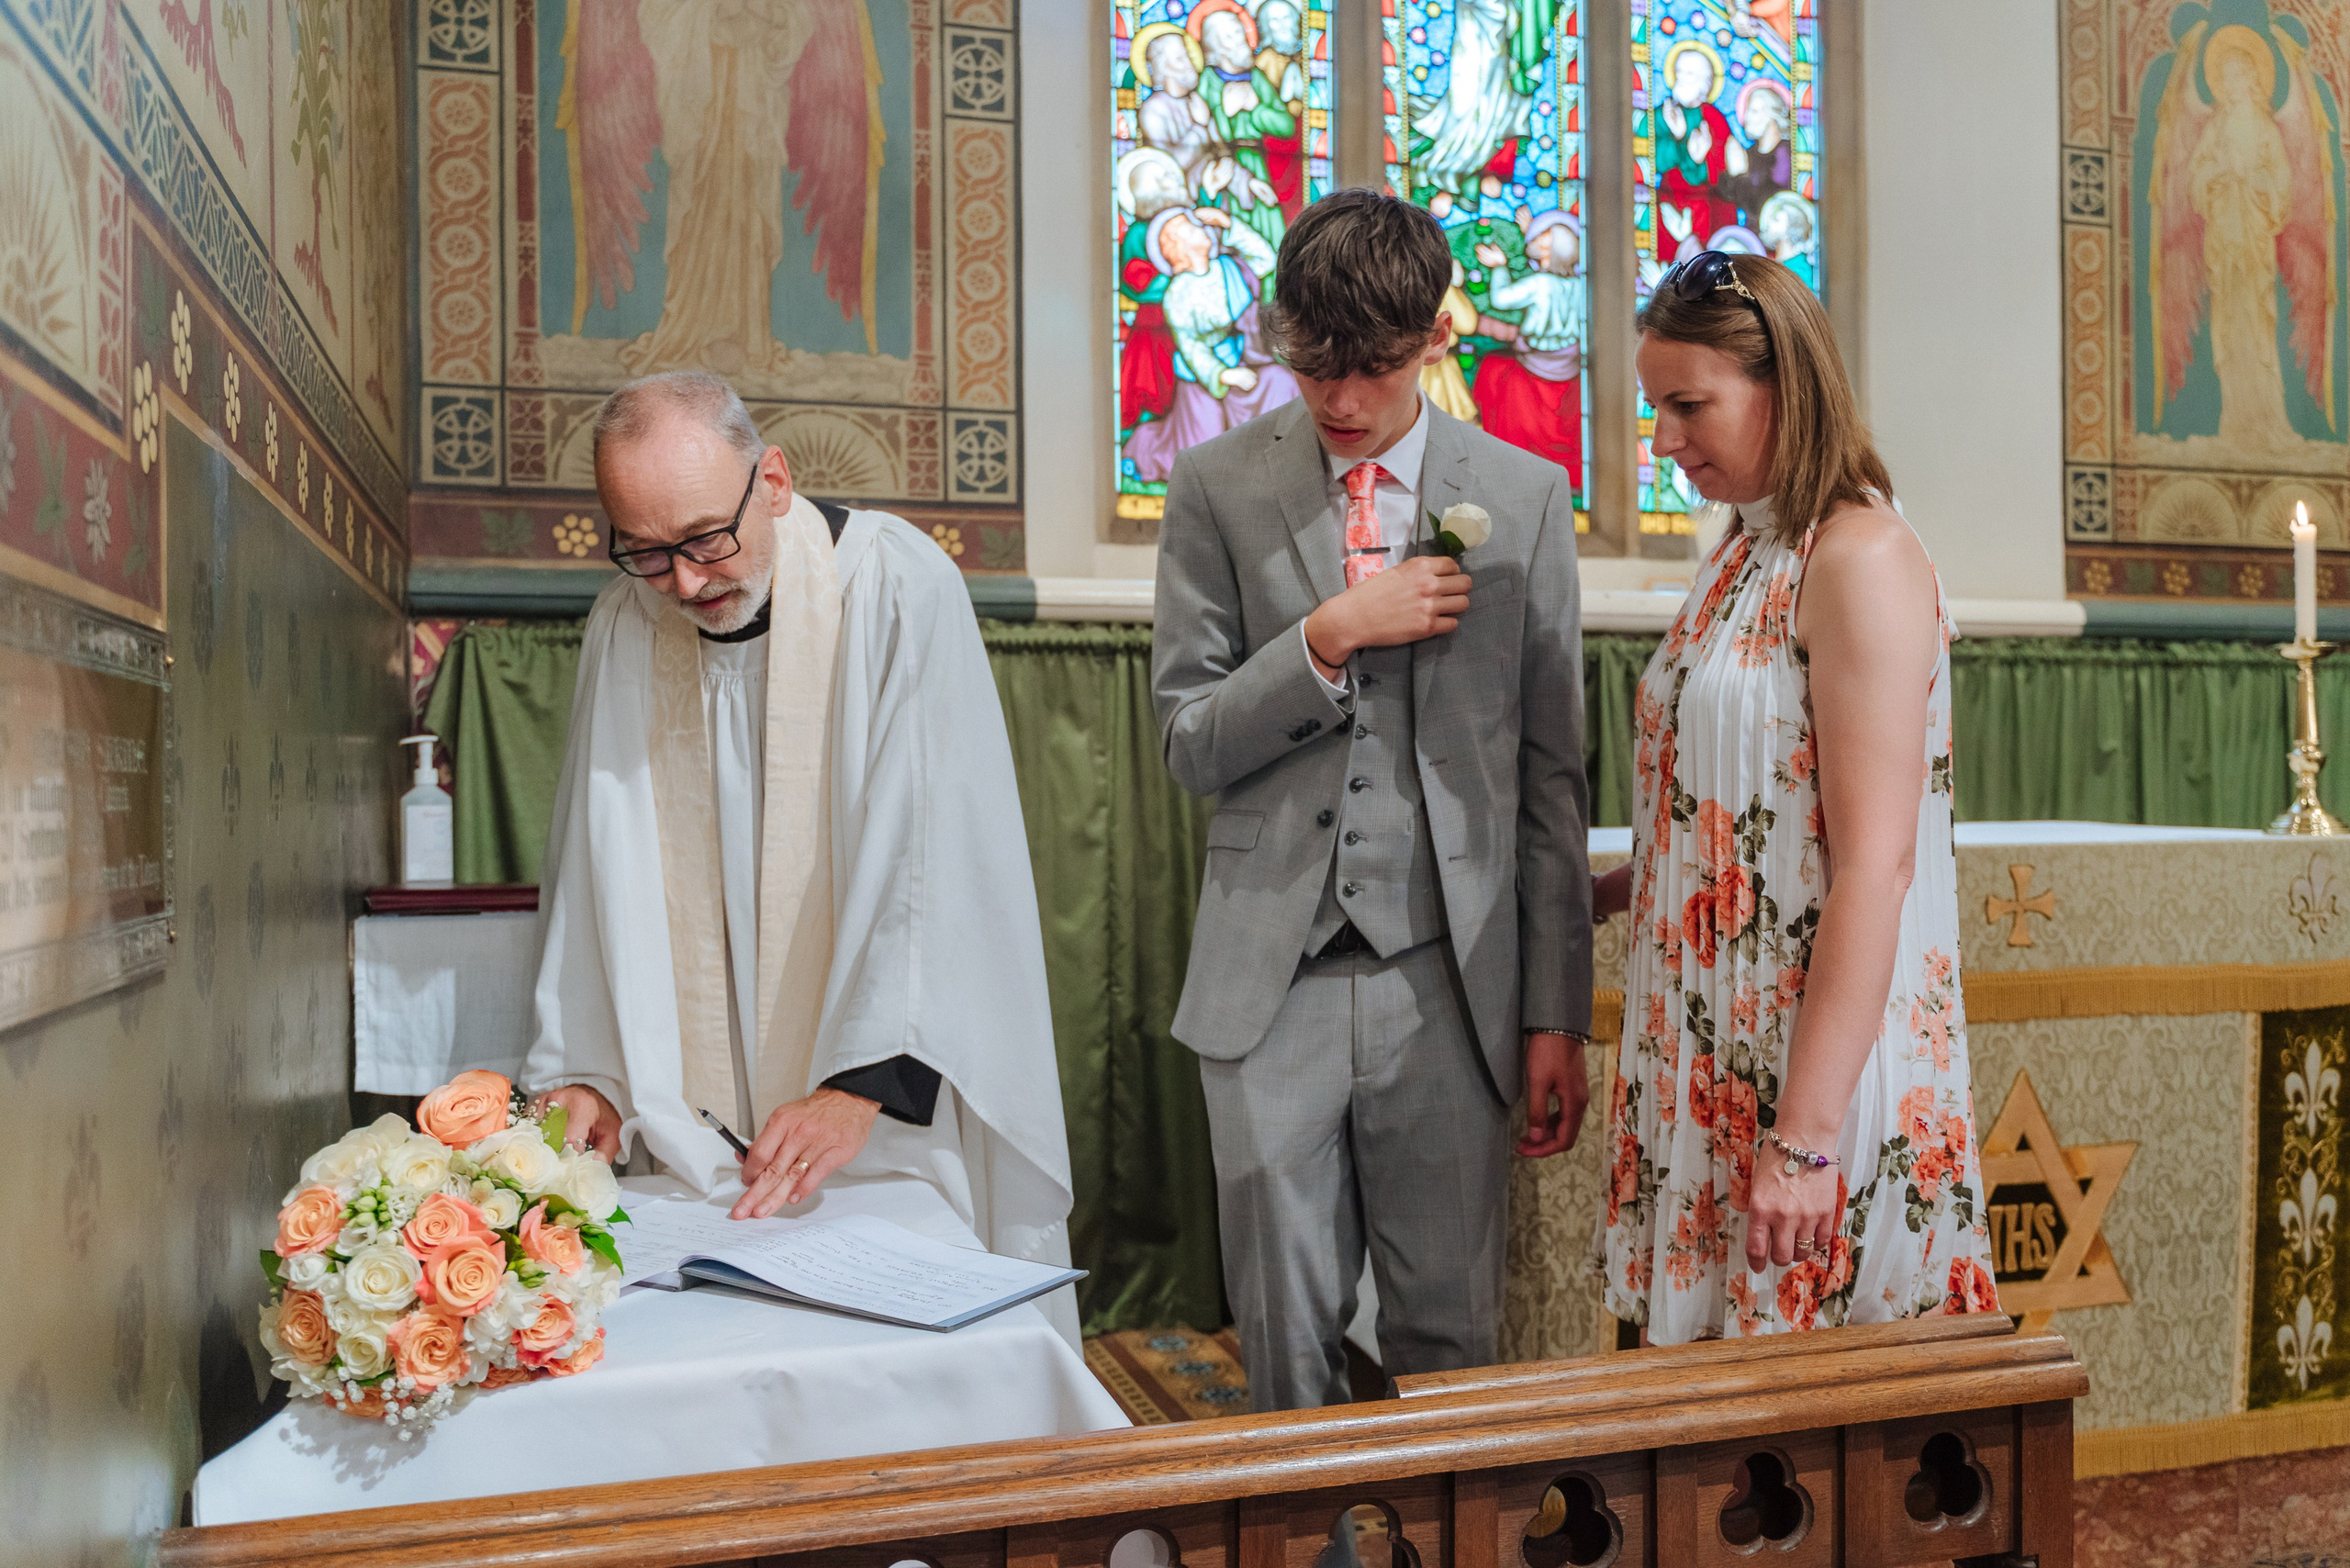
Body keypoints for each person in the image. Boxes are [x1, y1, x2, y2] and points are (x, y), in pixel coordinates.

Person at [1153, 189, 1595, 1410]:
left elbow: (1551, 778)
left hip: (1449, 983)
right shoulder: (1214, 488)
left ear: (1436, 338)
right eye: (1314, 366)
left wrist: (1555, 1012)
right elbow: (1188, 740)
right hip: (1266, 981)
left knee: (1452, 1336)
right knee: (1285, 1346)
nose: (1341, 400)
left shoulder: (1526, 491)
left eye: (1375, 369)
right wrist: (1327, 638)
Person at [526, 371, 1078, 1337]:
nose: (689, 583)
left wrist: (861, 1085)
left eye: (706, 539)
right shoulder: (626, 619)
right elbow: (593, 853)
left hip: (872, 1128)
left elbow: (934, 852)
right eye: (647, 555)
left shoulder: (896, 585)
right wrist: (593, 1071)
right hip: (690, 1142)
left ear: (772, 481)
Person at [1593, 252, 1998, 1340]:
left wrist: (1805, 1137)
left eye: (1689, 406)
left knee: (1800, 1450)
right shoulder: (1744, 551)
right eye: (1656, 409)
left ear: (1786, 385)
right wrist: (1624, 882)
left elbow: (1876, 861)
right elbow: (1756, 812)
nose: (1666, 439)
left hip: (1803, 1068)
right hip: (1710, 1046)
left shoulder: (1857, 555)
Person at [1471, 210, 1585, 485]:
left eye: (1543, 235)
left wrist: (1500, 267)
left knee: (1492, 372)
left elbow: (1500, 298)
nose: (1535, 238)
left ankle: (1503, 474)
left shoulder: (1540, 284)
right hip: (1568, 371)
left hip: (1533, 369)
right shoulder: (1578, 286)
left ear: (1553, 245)